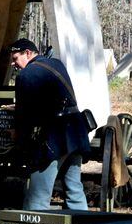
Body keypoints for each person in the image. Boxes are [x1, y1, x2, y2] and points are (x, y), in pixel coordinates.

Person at [8, 38, 90, 211]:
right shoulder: (57, 64)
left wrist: (17, 135)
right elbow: (53, 98)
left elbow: (24, 116)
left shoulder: (26, 75)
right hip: (75, 133)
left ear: (28, 53)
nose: (13, 64)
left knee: (37, 197)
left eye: (15, 58)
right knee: (74, 191)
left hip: (53, 138)